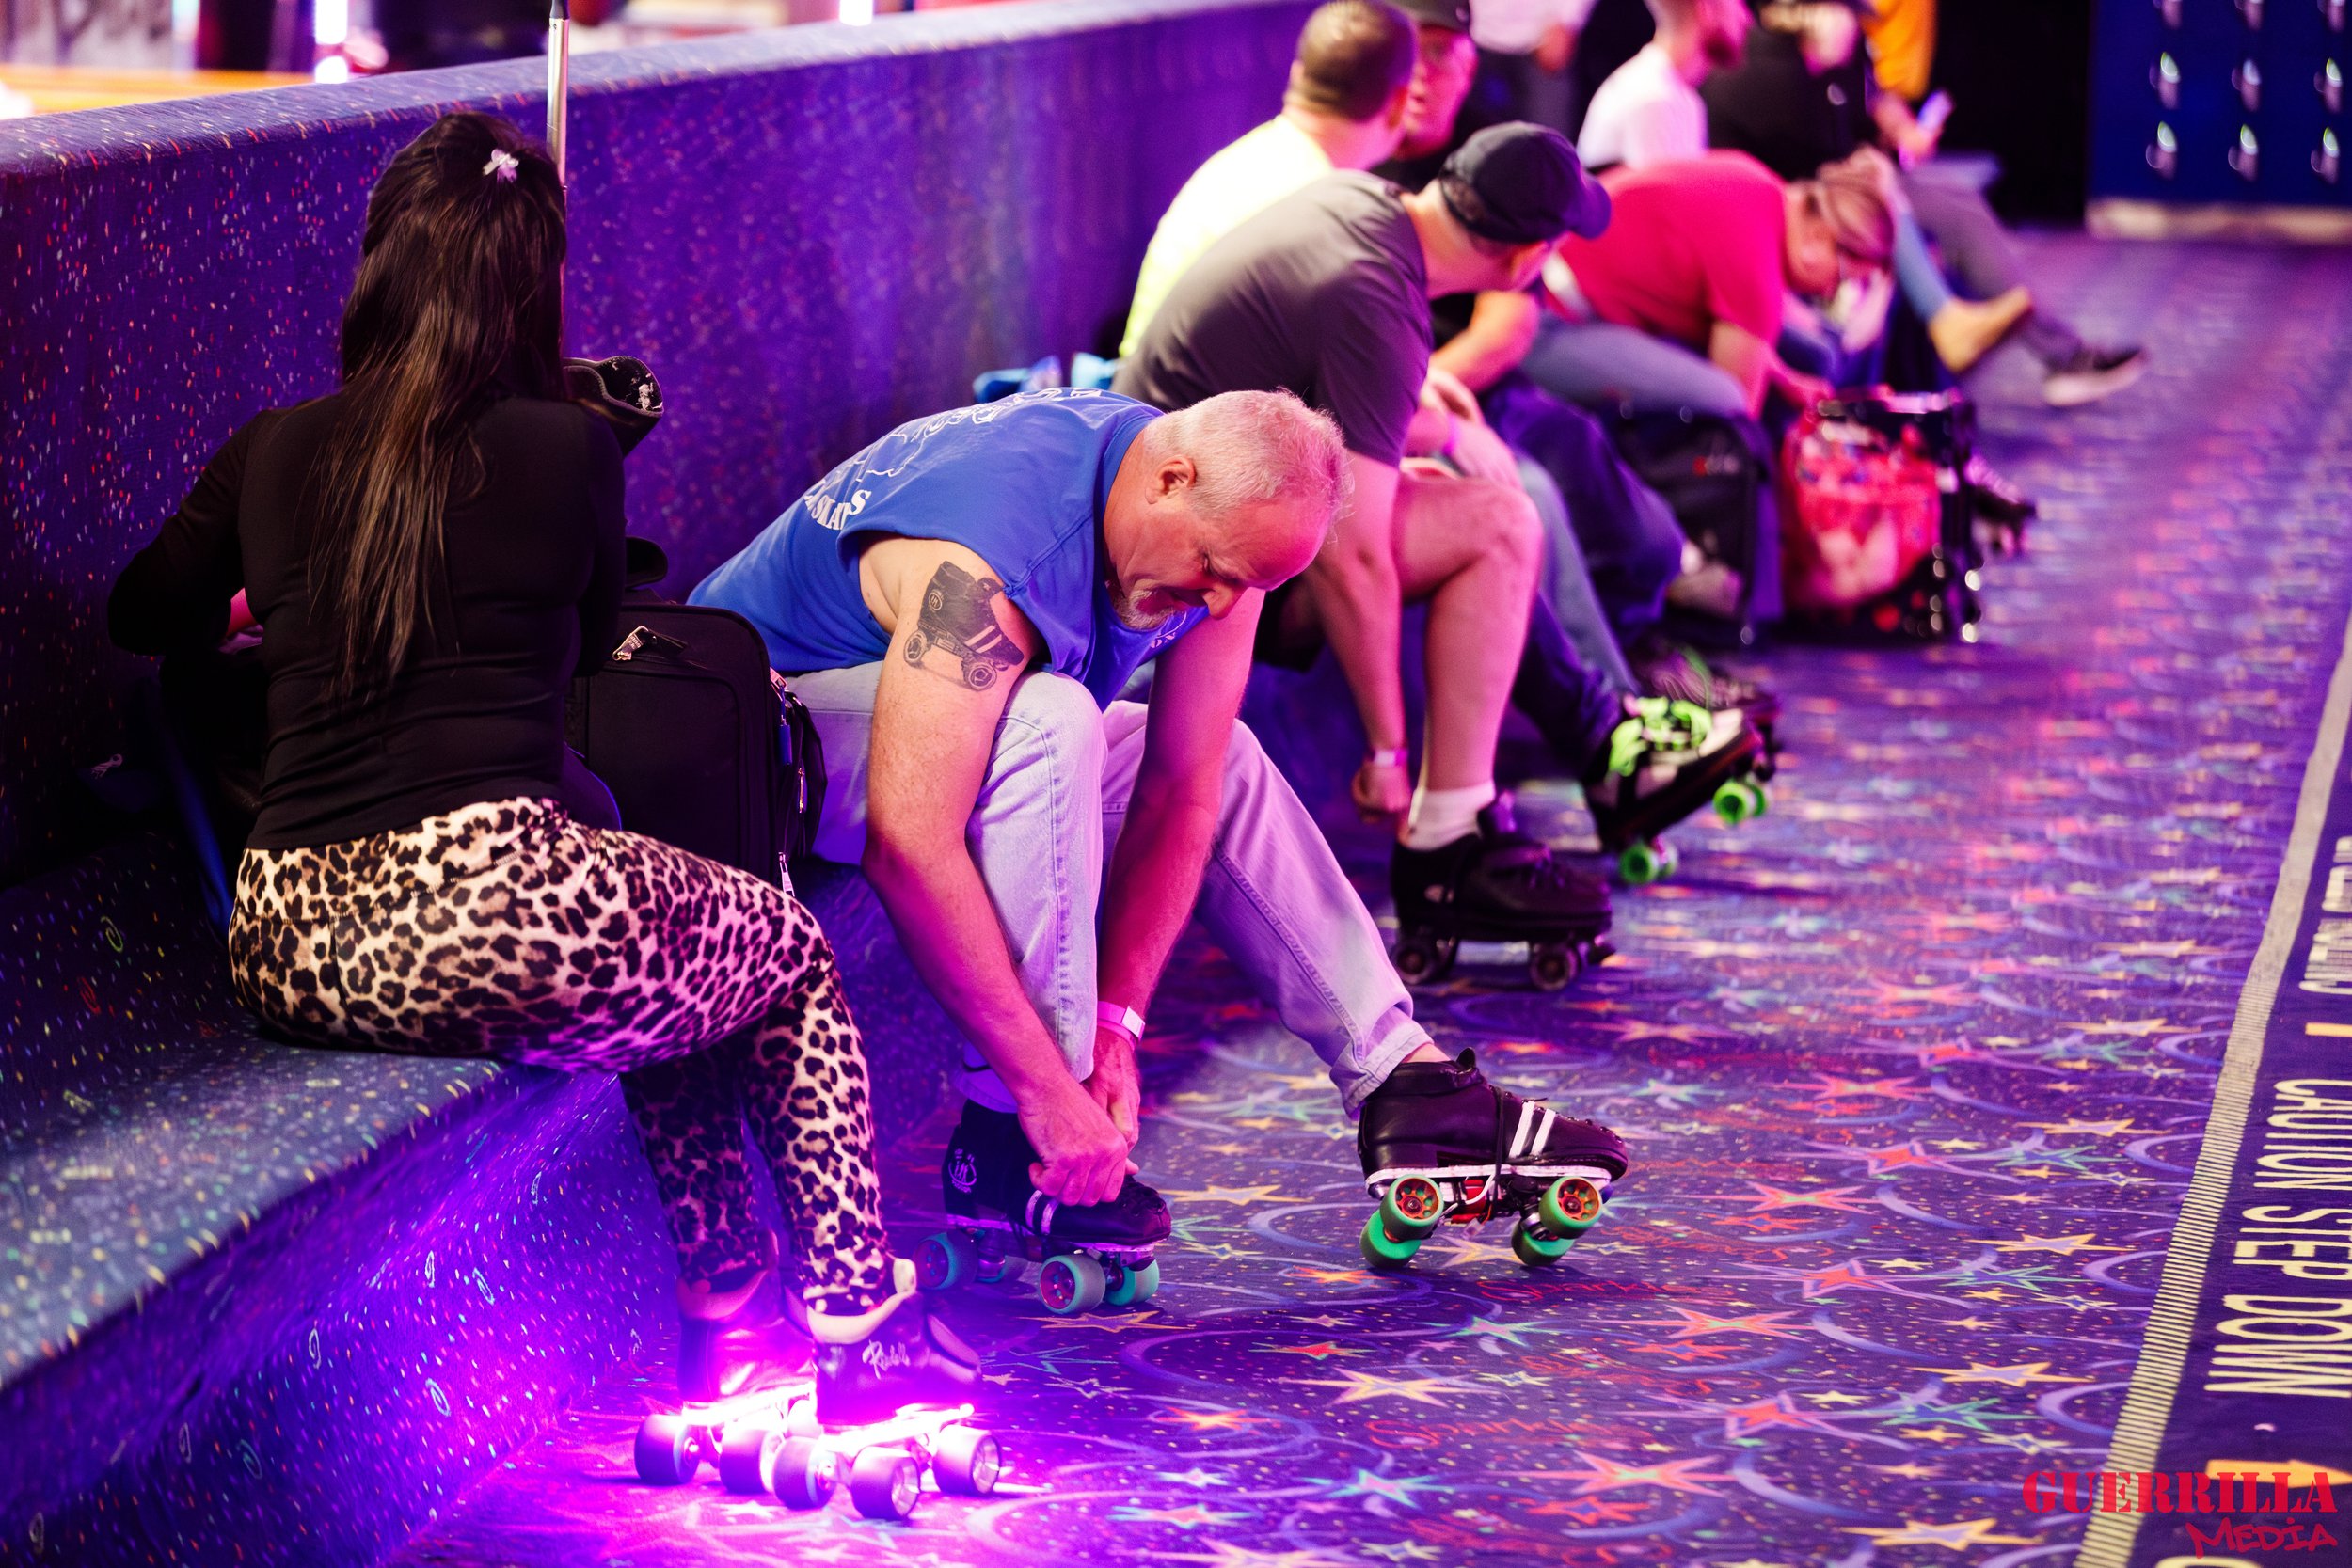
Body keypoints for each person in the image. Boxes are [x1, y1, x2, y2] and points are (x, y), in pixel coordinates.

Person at [104, 113, 976, 1426]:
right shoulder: (566, 448)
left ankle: (727, 1316)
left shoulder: (269, 448)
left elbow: (139, 612)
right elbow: (575, 656)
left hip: (291, 938)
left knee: (664, 951)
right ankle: (851, 1316)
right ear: (530, 290)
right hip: (494, 911)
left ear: (379, 269)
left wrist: (251, 608)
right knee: (779, 949)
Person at [691, 388, 1631, 1273]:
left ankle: (1403, 1080)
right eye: (1215, 573)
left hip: (927, 723)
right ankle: (1014, 1145)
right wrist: (1048, 1090)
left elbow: (1184, 785)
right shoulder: (982, 571)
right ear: (1169, 479)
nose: (1219, 605)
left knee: (1221, 754)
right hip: (739, 740)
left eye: (1245, 586)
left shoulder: (1210, 524)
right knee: (1045, 719)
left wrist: (1116, 1023)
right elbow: (910, 843)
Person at [1119, 124, 1762, 890]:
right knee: (1499, 524)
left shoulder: (1362, 206)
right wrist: (1387, 751)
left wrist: (1424, 420)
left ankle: (1588, 744)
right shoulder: (1376, 297)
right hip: (1189, 552)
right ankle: (1448, 844)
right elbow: (1351, 556)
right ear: (1527, 260)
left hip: (1180, 495)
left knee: (1462, 501)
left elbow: (1316, 380)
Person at [1702, 0, 2146, 406]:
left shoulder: (1836, 55)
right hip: (1801, 213)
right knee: (1887, 201)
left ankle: (2056, 354)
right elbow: (1824, 170)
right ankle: (1952, 323)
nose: (1856, 28)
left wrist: (1897, 131)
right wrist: (1871, 163)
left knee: (1959, 203)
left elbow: (1866, 108)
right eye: (1847, 15)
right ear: (1818, 15)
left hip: (1842, 192)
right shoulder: (1771, 73)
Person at [1120, 0, 1418, 358]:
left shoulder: (1252, 158)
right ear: (1400, 102)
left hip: (1146, 400)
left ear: (1297, 75)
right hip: (1189, 408)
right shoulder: (1323, 208)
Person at [1533, 149, 1895, 419]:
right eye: (1842, 278)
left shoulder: (1757, 181)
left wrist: (1784, 377)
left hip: (1547, 272)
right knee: (1728, 399)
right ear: (1820, 236)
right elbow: (1741, 412)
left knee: (1808, 355)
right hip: (1546, 323)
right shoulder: (1758, 270)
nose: (1831, 291)